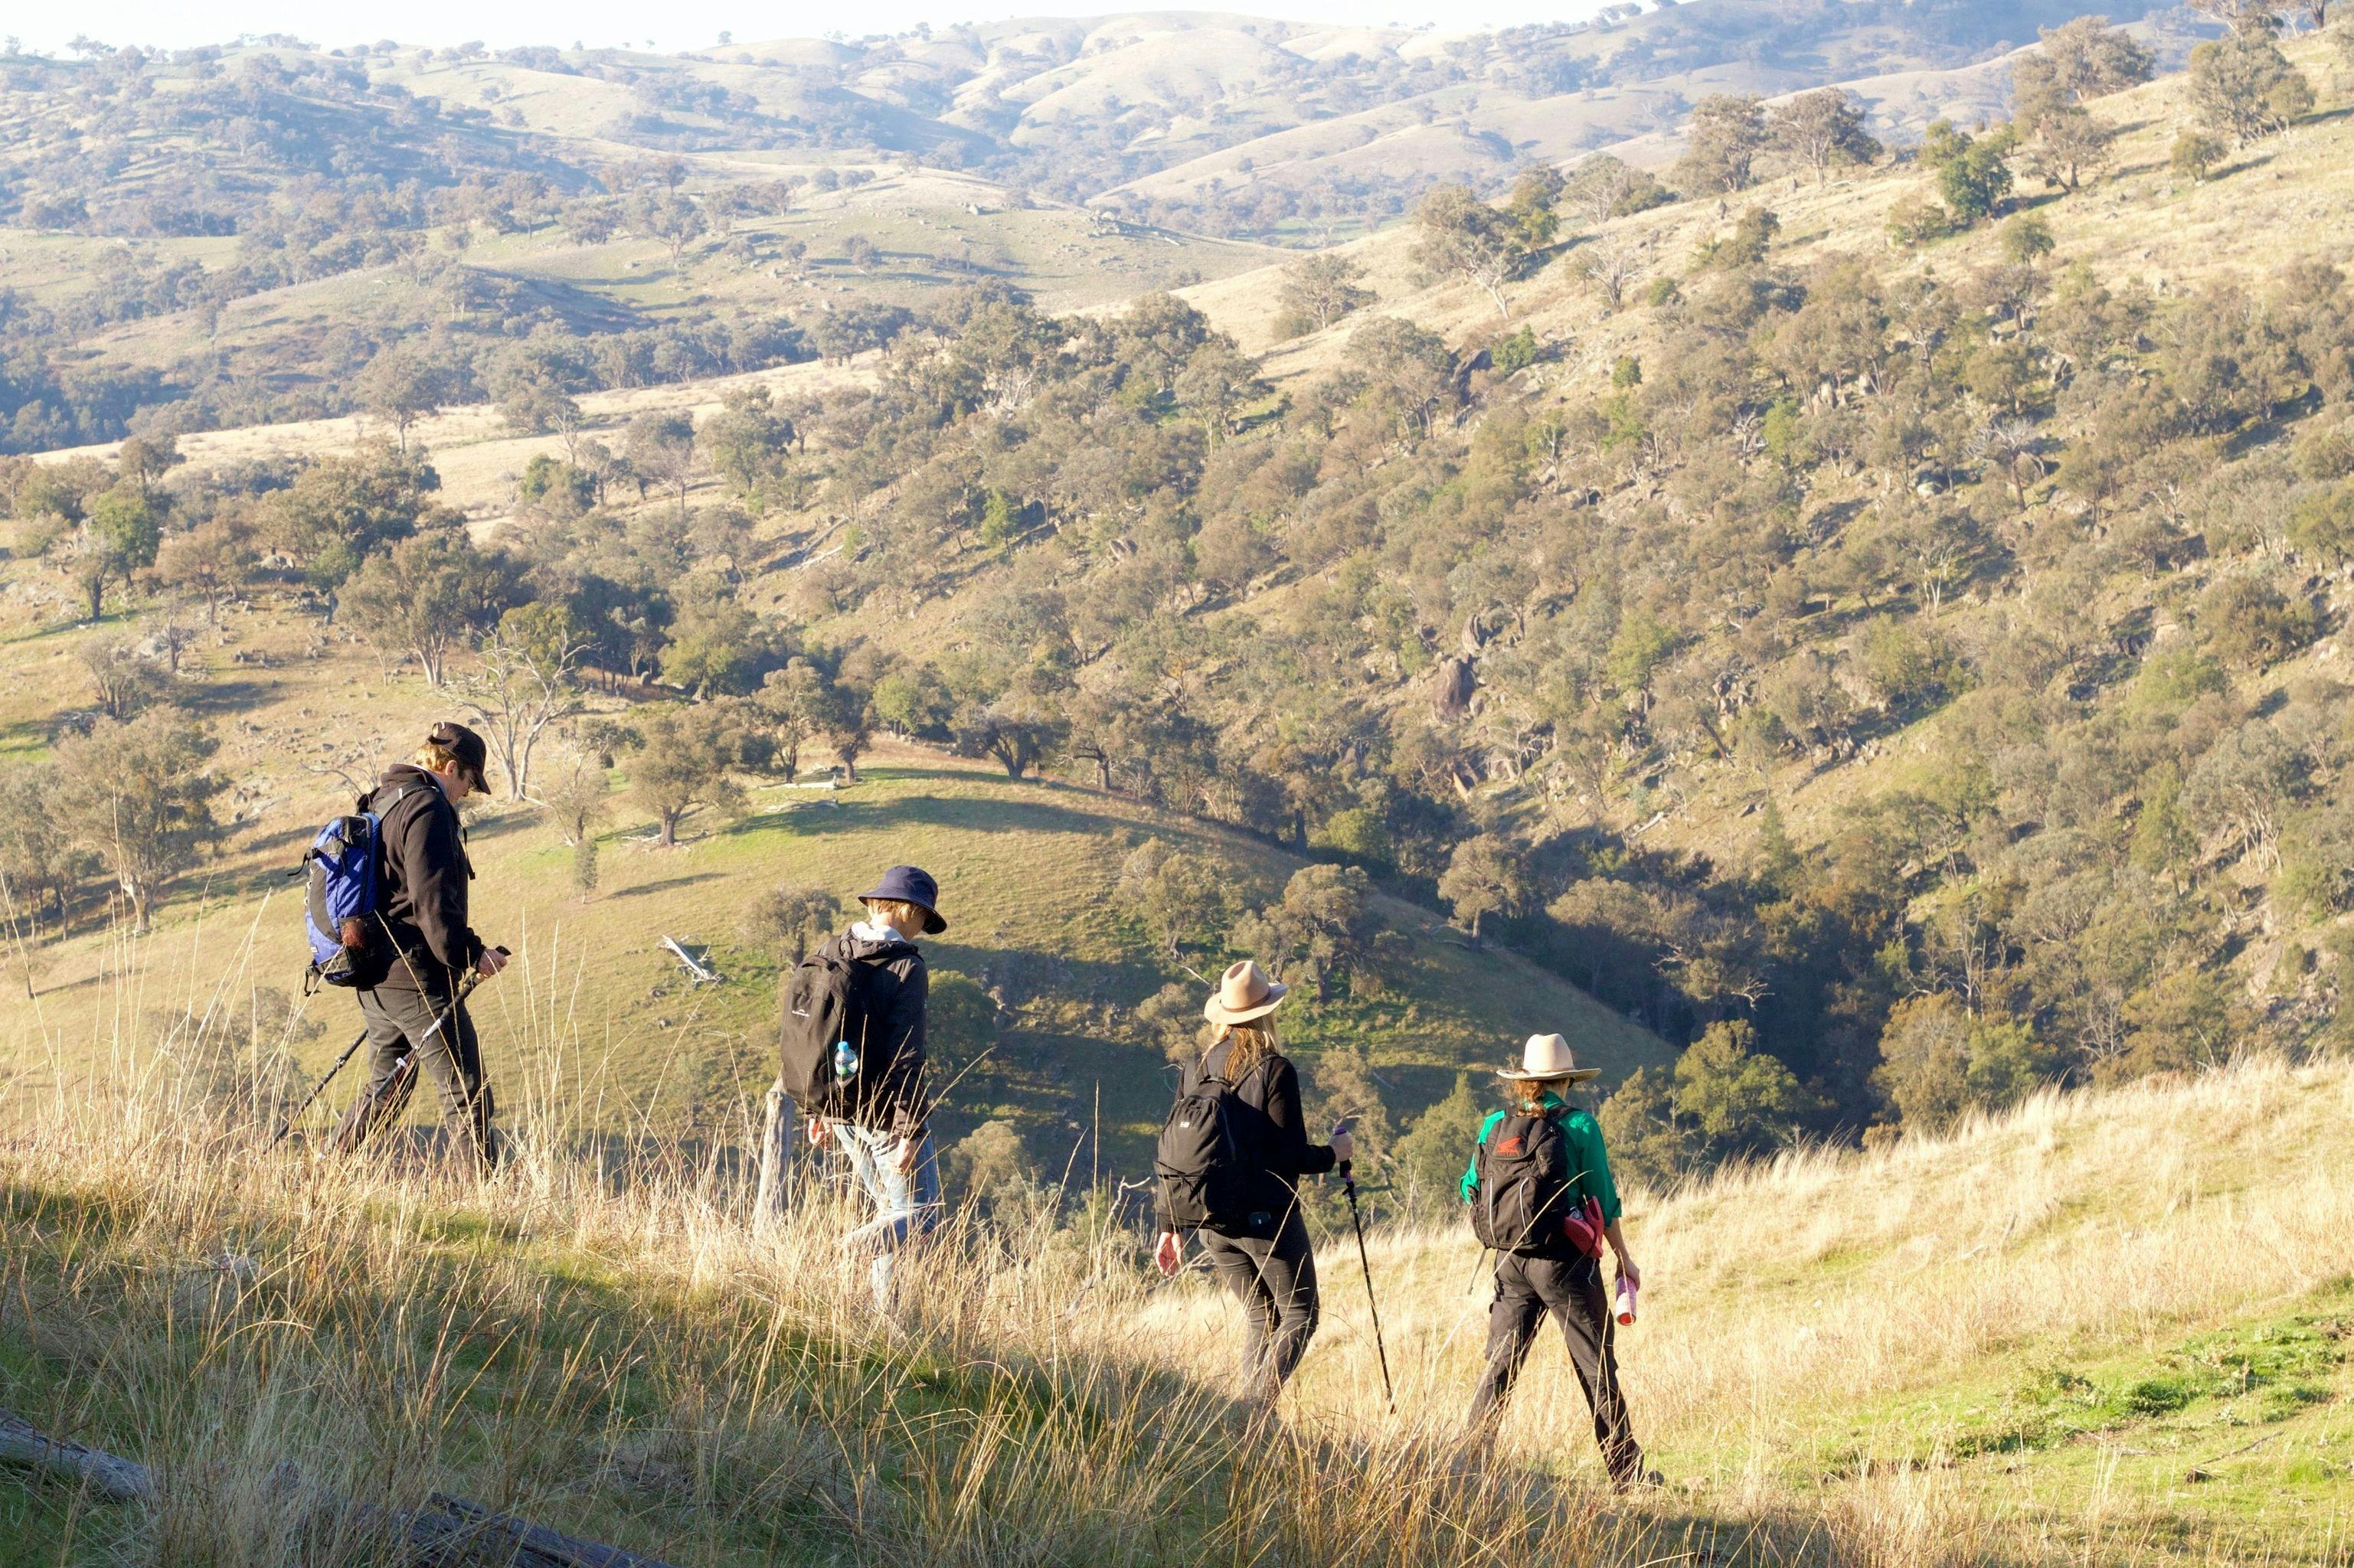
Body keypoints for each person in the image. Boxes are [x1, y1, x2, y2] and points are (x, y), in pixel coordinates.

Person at [1154, 959, 1352, 1406]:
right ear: (1267, 1013)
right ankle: (1256, 1413)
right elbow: (1291, 1156)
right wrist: (1335, 1154)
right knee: (1300, 1314)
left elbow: (1180, 1153)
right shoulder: (1274, 1069)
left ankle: (1245, 1418)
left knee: (1261, 1318)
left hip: (1210, 1225)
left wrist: (1170, 1225)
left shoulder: (1195, 1068)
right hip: (1267, 1222)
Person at [1460, 1032, 1653, 1487]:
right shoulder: (1580, 1126)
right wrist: (1625, 1258)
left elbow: (1470, 1186)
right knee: (1595, 1364)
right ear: (1566, 1079)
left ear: (1524, 1079)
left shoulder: (1494, 1125)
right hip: (1566, 1264)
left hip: (1511, 1260)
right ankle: (1627, 1474)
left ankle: (1468, 1463)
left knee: (1500, 1364)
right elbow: (1603, 1199)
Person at [330, 722, 509, 1171]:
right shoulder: (428, 807)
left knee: (388, 1083)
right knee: (466, 1092)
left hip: (373, 971)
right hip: (414, 976)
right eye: (469, 781)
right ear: (451, 768)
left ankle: (327, 1171)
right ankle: (485, 1205)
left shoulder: (383, 799)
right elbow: (431, 904)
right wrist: (472, 954)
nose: (467, 793)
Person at [803, 864, 945, 1312]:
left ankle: (889, 1323)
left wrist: (818, 1108)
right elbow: (907, 1053)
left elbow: (816, 1036)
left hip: (842, 1112)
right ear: (907, 910)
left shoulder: (833, 950)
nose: (923, 926)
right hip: (886, 1119)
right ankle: (834, 1257)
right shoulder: (906, 965)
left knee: (890, 1216)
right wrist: (912, 1130)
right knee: (922, 1217)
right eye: (924, 917)